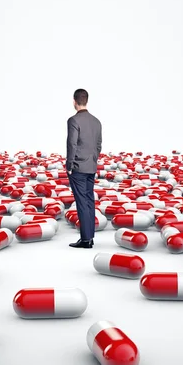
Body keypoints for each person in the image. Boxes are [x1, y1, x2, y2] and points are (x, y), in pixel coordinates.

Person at [66, 88, 102, 248]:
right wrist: (93, 159)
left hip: (78, 167)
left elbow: (72, 144)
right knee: (89, 201)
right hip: (91, 166)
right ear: (86, 101)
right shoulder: (96, 121)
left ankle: (86, 239)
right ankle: (90, 236)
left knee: (82, 202)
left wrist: (69, 164)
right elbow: (98, 145)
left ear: (74, 101)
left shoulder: (73, 120)